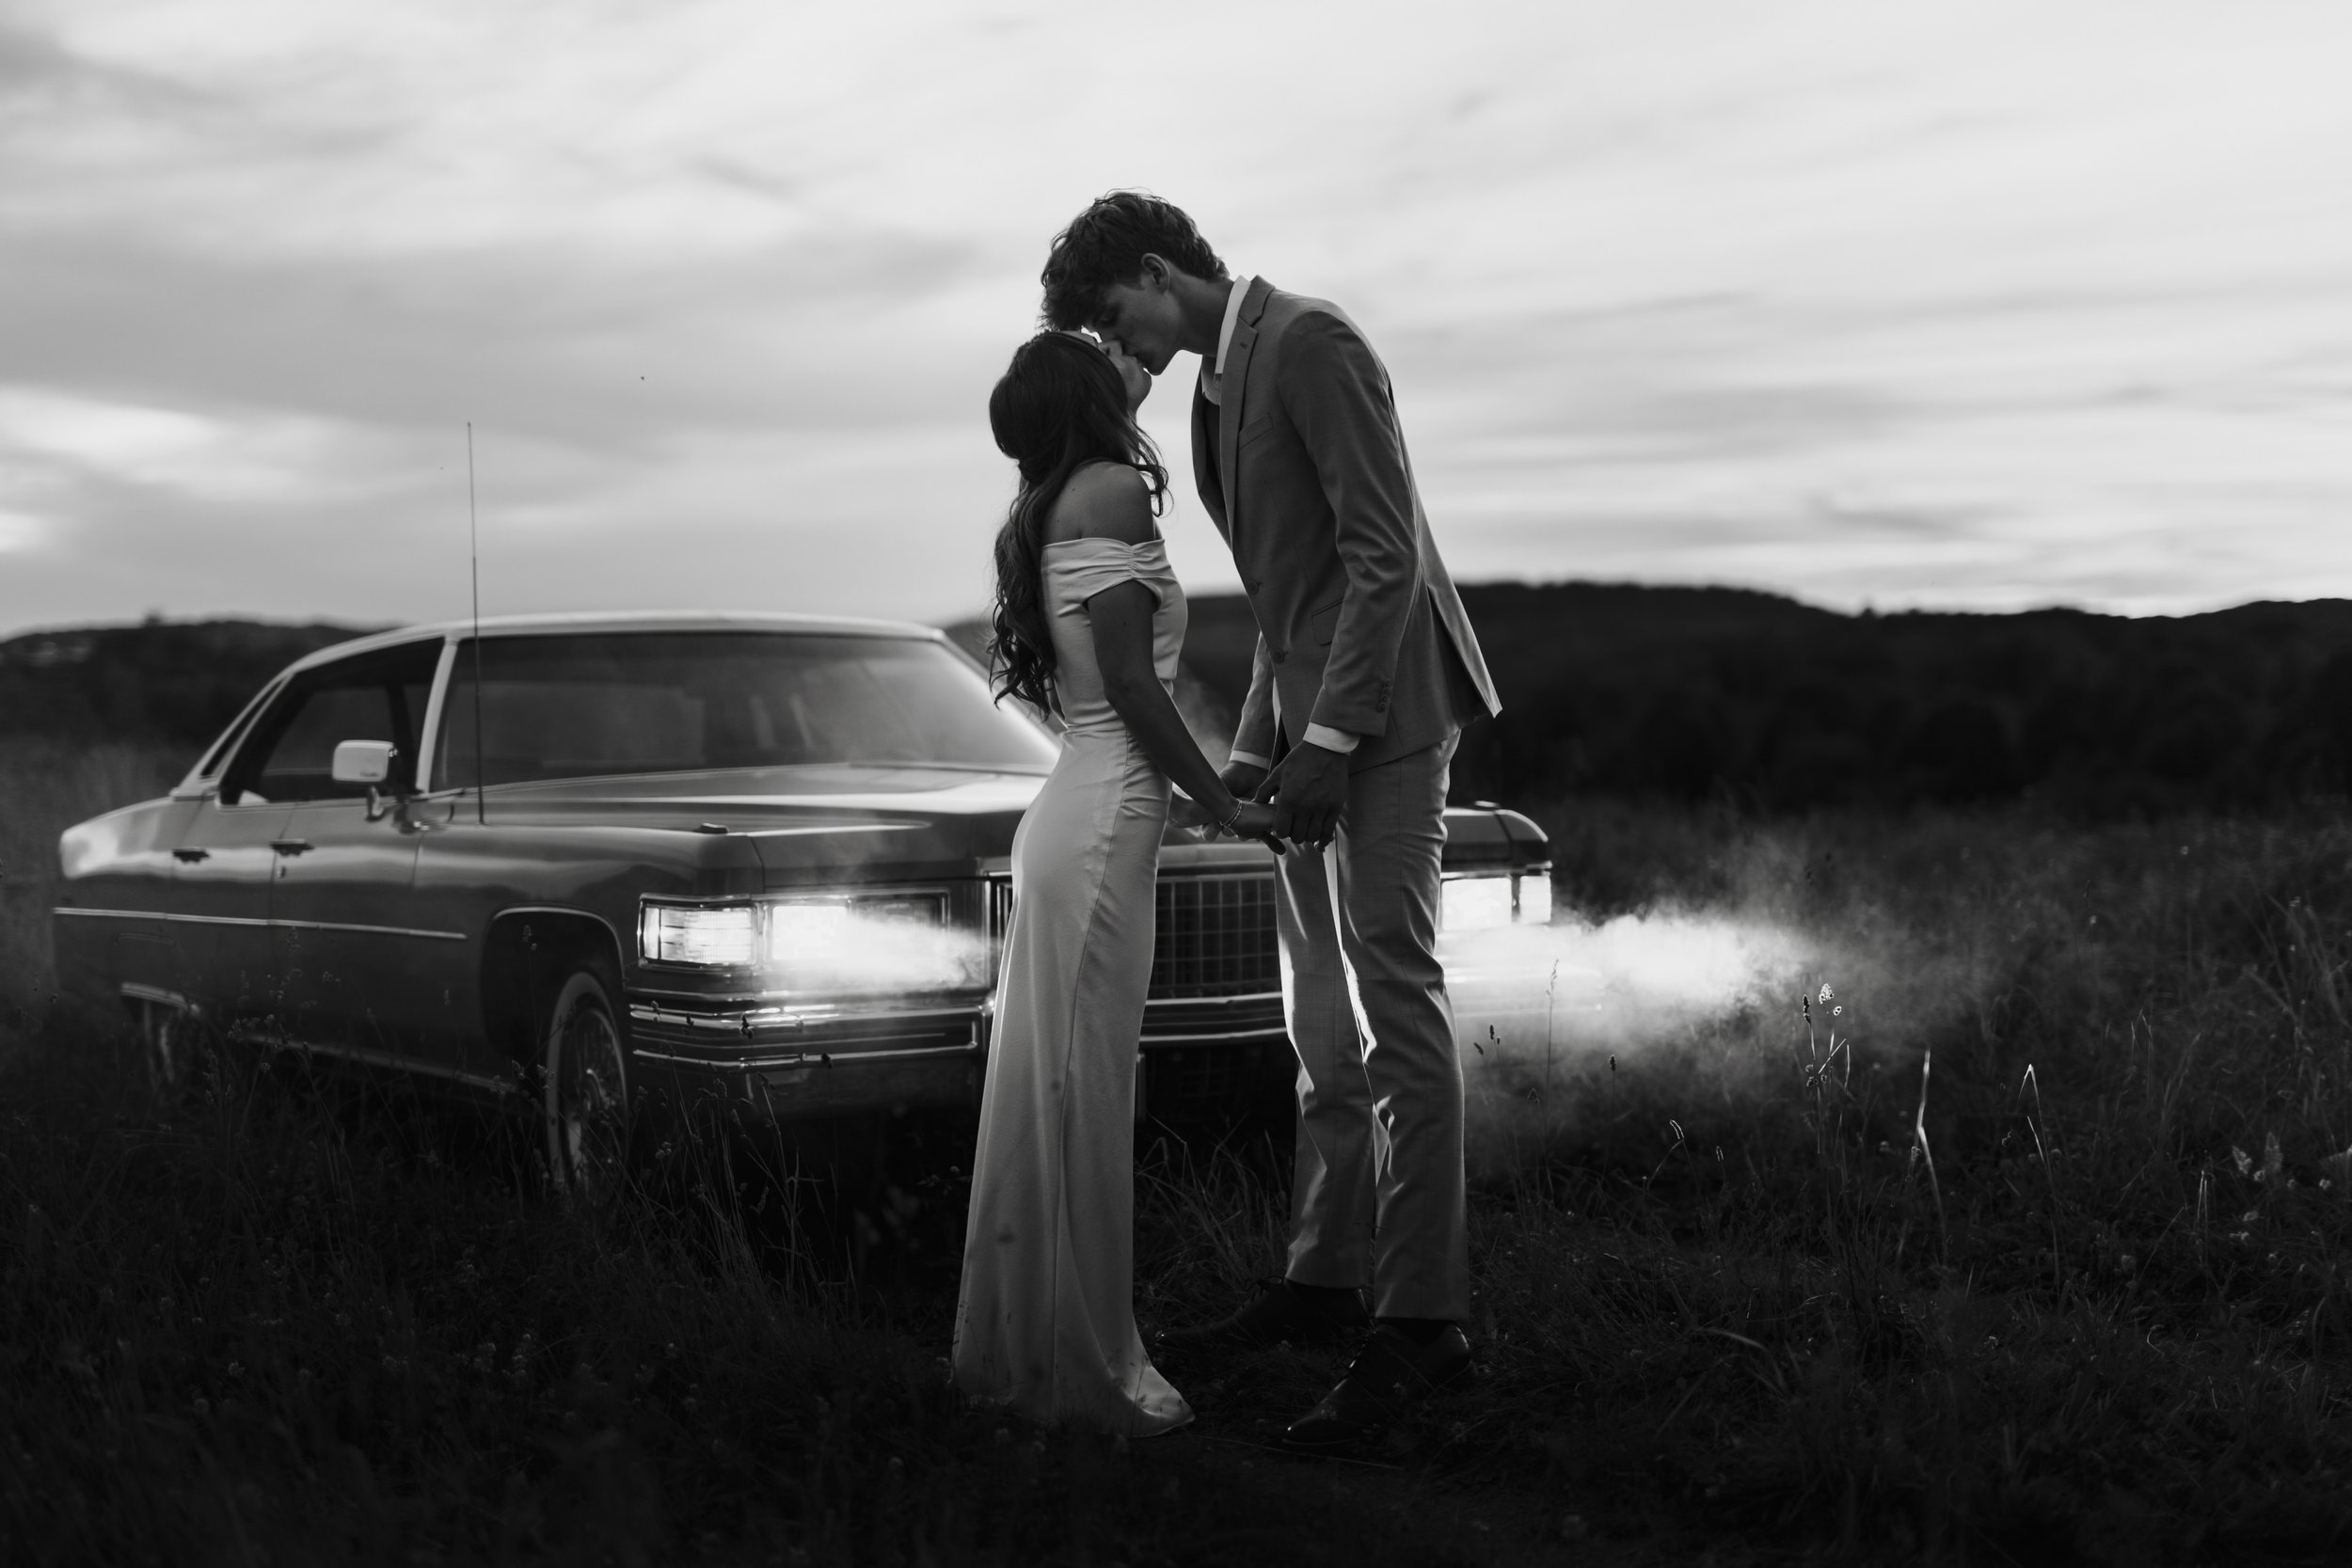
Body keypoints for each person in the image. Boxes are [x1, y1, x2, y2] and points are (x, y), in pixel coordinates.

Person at [1041, 192, 1502, 1449]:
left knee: (1397, 1002)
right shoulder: (1207, 391)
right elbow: (1288, 597)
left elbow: (1381, 554)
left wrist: (1337, 740)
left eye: (1110, 316)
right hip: (1306, 731)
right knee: (1318, 1022)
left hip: (1390, 721)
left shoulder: (1311, 341)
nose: (1114, 347)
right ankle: (1322, 1280)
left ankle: (1422, 1326)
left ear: (1155, 270)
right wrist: (1254, 756)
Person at [951, 328, 1284, 1435]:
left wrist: (1127, 370)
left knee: (1060, 1090)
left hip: (1076, 815)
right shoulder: (1111, 491)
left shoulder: (1052, 497)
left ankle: (1032, 1347)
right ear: (1088, 400)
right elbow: (1139, 691)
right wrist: (1223, 801)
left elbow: (1110, 689)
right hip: (1102, 828)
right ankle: (1085, 1365)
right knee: (1084, 1094)